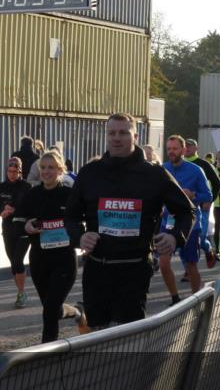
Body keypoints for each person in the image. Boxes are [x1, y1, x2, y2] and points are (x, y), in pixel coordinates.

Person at [65, 114, 194, 330]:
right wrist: (80, 236)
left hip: (134, 270)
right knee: (97, 337)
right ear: (106, 136)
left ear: (135, 136)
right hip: (97, 269)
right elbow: (70, 216)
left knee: (126, 339)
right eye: (112, 133)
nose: (117, 138)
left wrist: (175, 237)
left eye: (123, 133)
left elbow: (186, 211)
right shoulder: (90, 173)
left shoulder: (154, 174)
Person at [18, 152, 88, 341]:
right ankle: (78, 312)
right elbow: (15, 221)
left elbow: (82, 221)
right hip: (40, 260)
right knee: (53, 310)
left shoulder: (69, 195)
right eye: (43, 168)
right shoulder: (32, 195)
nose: (46, 172)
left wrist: (81, 237)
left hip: (64, 260)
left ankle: (48, 353)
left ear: (60, 170)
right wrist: (25, 226)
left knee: (49, 310)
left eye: (51, 167)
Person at [158, 136, 213, 304]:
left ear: (183, 150)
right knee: (164, 263)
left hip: (190, 223)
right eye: (168, 149)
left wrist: (194, 195)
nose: (171, 152)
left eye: (175, 149)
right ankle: (175, 298)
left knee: (190, 265)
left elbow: (208, 195)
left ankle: (196, 299)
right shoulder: (162, 169)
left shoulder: (196, 170)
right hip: (168, 221)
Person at [0, 157, 33, 307]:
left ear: (20, 171)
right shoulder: (1, 186)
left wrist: (15, 210)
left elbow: (31, 209)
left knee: (18, 260)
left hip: (23, 230)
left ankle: (21, 293)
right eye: (9, 171)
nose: (12, 174)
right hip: (7, 229)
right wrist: (2, 211)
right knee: (13, 264)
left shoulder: (26, 187)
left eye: (15, 172)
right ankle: (21, 291)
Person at [183, 138, 220, 269]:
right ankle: (189, 268)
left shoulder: (203, 164)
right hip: (183, 206)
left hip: (201, 204)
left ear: (196, 148)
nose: (187, 148)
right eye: (185, 146)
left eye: (190, 146)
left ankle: (208, 248)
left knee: (201, 235)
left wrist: (209, 200)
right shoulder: (178, 164)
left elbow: (217, 184)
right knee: (184, 237)